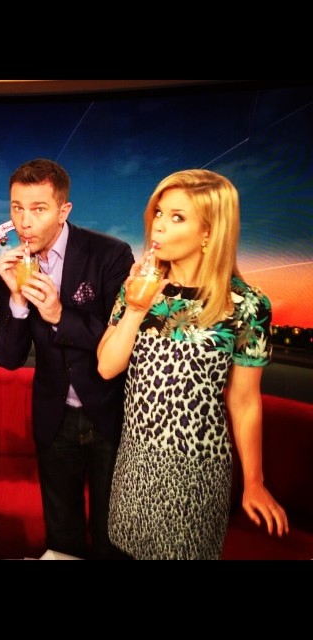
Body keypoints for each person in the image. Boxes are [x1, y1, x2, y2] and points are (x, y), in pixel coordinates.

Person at [96, 168, 289, 560]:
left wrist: (254, 481)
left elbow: (244, 401)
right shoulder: (135, 287)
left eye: (177, 217)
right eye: (159, 213)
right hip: (135, 461)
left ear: (209, 232)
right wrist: (136, 308)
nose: (158, 226)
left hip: (198, 470)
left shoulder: (247, 305)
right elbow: (106, 367)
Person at [0, 158, 135, 559]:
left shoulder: (109, 254)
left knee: (111, 537)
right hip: (54, 418)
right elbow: (8, 357)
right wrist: (17, 303)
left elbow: (123, 339)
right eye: (17, 208)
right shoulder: (12, 266)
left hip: (109, 414)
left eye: (38, 209)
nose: (24, 222)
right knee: (62, 536)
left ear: (63, 210)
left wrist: (57, 315)